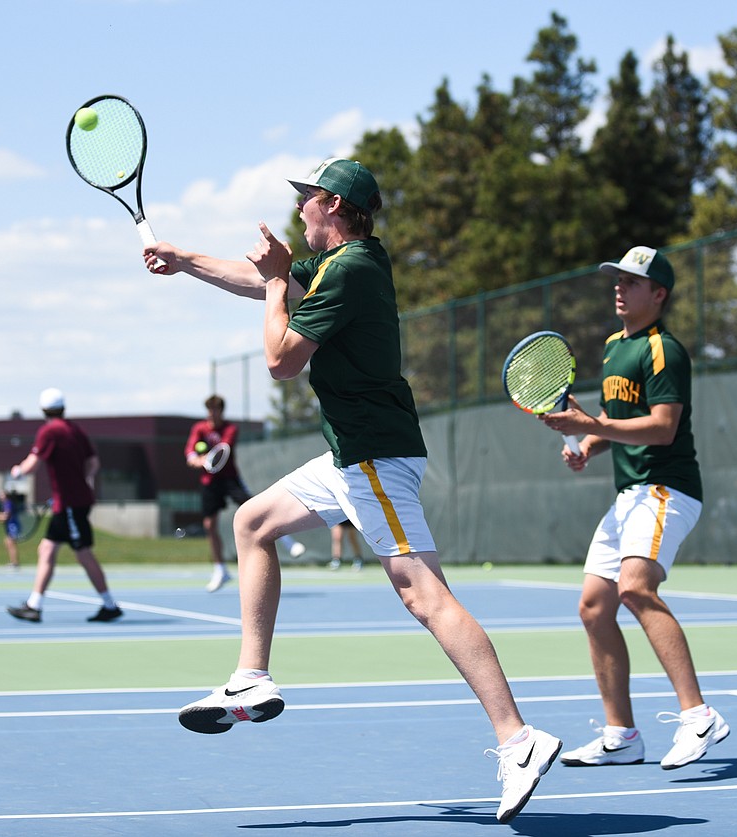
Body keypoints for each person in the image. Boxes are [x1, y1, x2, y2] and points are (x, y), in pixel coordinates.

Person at [144, 158, 561, 823]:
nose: (300, 209)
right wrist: (184, 258)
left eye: (306, 199)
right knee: (252, 522)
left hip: (373, 457)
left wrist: (281, 276)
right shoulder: (349, 263)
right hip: (352, 456)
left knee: (425, 597)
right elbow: (261, 283)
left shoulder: (352, 270)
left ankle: (518, 738)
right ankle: (251, 678)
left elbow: (281, 360)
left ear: (332, 204)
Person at [538, 245, 729, 771]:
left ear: (659, 294)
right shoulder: (611, 347)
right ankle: (621, 735)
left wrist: (591, 427)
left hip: (667, 489)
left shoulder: (665, 350)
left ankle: (698, 717)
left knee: (636, 589)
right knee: (595, 608)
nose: (619, 288)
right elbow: (616, 417)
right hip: (630, 495)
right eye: (617, 280)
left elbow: (663, 426)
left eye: (633, 282)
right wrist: (586, 445)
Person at [6, 388, 122, 623]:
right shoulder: (75, 430)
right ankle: (34, 605)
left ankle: (110, 605)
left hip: (70, 503)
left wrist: (17, 471)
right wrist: (84, 481)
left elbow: (32, 464)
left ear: (43, 410)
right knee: (47, 550)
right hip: (70, 502)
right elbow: (93, 462)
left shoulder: (49, 431)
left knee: (83, 554)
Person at [184, 395, 307, 592]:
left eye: (215, 410)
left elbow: (222, 451)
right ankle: (220, 569)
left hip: (230, 480)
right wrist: (196, 460)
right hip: (209, 483)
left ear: (221, 411)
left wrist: (206, 458)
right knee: (209, 525)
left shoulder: (230, 429)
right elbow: (190, 453)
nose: (212, 414)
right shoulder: (199, 429)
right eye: (209, 410)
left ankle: (288, 542)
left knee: (257, 513)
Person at [0, 488, 23, 569]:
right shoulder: (4, 504)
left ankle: (15, 562)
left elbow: (6, 516)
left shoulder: (8, 503)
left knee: (11, 543)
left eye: (1, 494)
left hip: (13, 526)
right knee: (7, 542)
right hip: (9, 526)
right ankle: (12, 561)